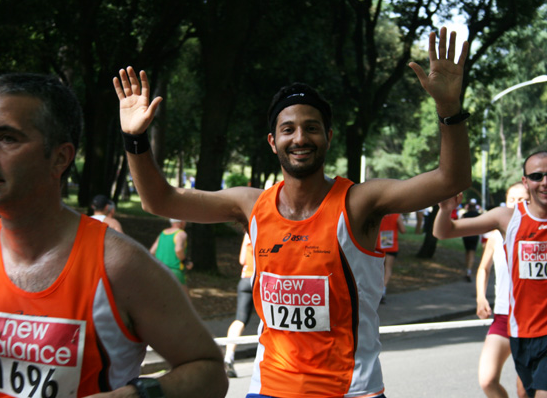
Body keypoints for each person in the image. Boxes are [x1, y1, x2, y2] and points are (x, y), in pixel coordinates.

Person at [114, 27, 470, 397]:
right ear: (273, 142)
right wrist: (135, 140)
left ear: (328, 137)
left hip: (350, 389)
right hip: (270, 387)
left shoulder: (360, 202)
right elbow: (160, 201)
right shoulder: (250, 205)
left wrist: (448, 109)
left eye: (311, 128)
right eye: (288, 129)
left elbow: (451, 178)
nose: (300, 138)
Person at [0, 73, 227, 397]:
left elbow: (209, 373)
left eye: (7, 138)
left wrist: (131, 395)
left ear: (60, 157)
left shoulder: (118, 264)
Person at [433, 151, 547, 398]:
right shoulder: (507, 218)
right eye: (537, 176)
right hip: (519, 331)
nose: (544, 181)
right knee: (512, 388)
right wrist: (445, 209)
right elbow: (444, 232)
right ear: (526, 181)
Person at [475, 183, 528, 398]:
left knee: (524, 390)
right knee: (487, 380)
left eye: (522, 199)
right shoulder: (496, 235)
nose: (516, 204)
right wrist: (480, 297)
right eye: (512, 199)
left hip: (531, 318)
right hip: (503, 316)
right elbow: (483, 268)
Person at [224, 233, 255, 378]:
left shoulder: (247, 233)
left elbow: (242, 259)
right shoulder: (268, 226)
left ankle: (228, 356)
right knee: (268, 320)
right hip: (262, 279)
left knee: (240, 319)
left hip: (245, 279)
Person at [150, 218, 193, 296]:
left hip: (160, 269)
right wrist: (185, 261)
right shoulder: (181, 233)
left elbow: (152, 251)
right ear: (182, 222)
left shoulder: (163, 233)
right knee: (185, 301)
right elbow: (178, 250)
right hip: (174, 271)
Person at [375, 213, 406, 304]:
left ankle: (376, 290)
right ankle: (382, 291)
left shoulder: (379, 214)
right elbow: (403, 230)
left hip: (379, 245)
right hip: (391, 245)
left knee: (378, 269)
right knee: (388, 268)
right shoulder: (396, 215)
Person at [462, 198, 481, 282]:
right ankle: (469, 271)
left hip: (466, 235)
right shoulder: (478, 215)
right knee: (472, 253)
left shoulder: (465, 215)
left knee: (467, 252)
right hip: (474, 235)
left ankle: (467, 269)